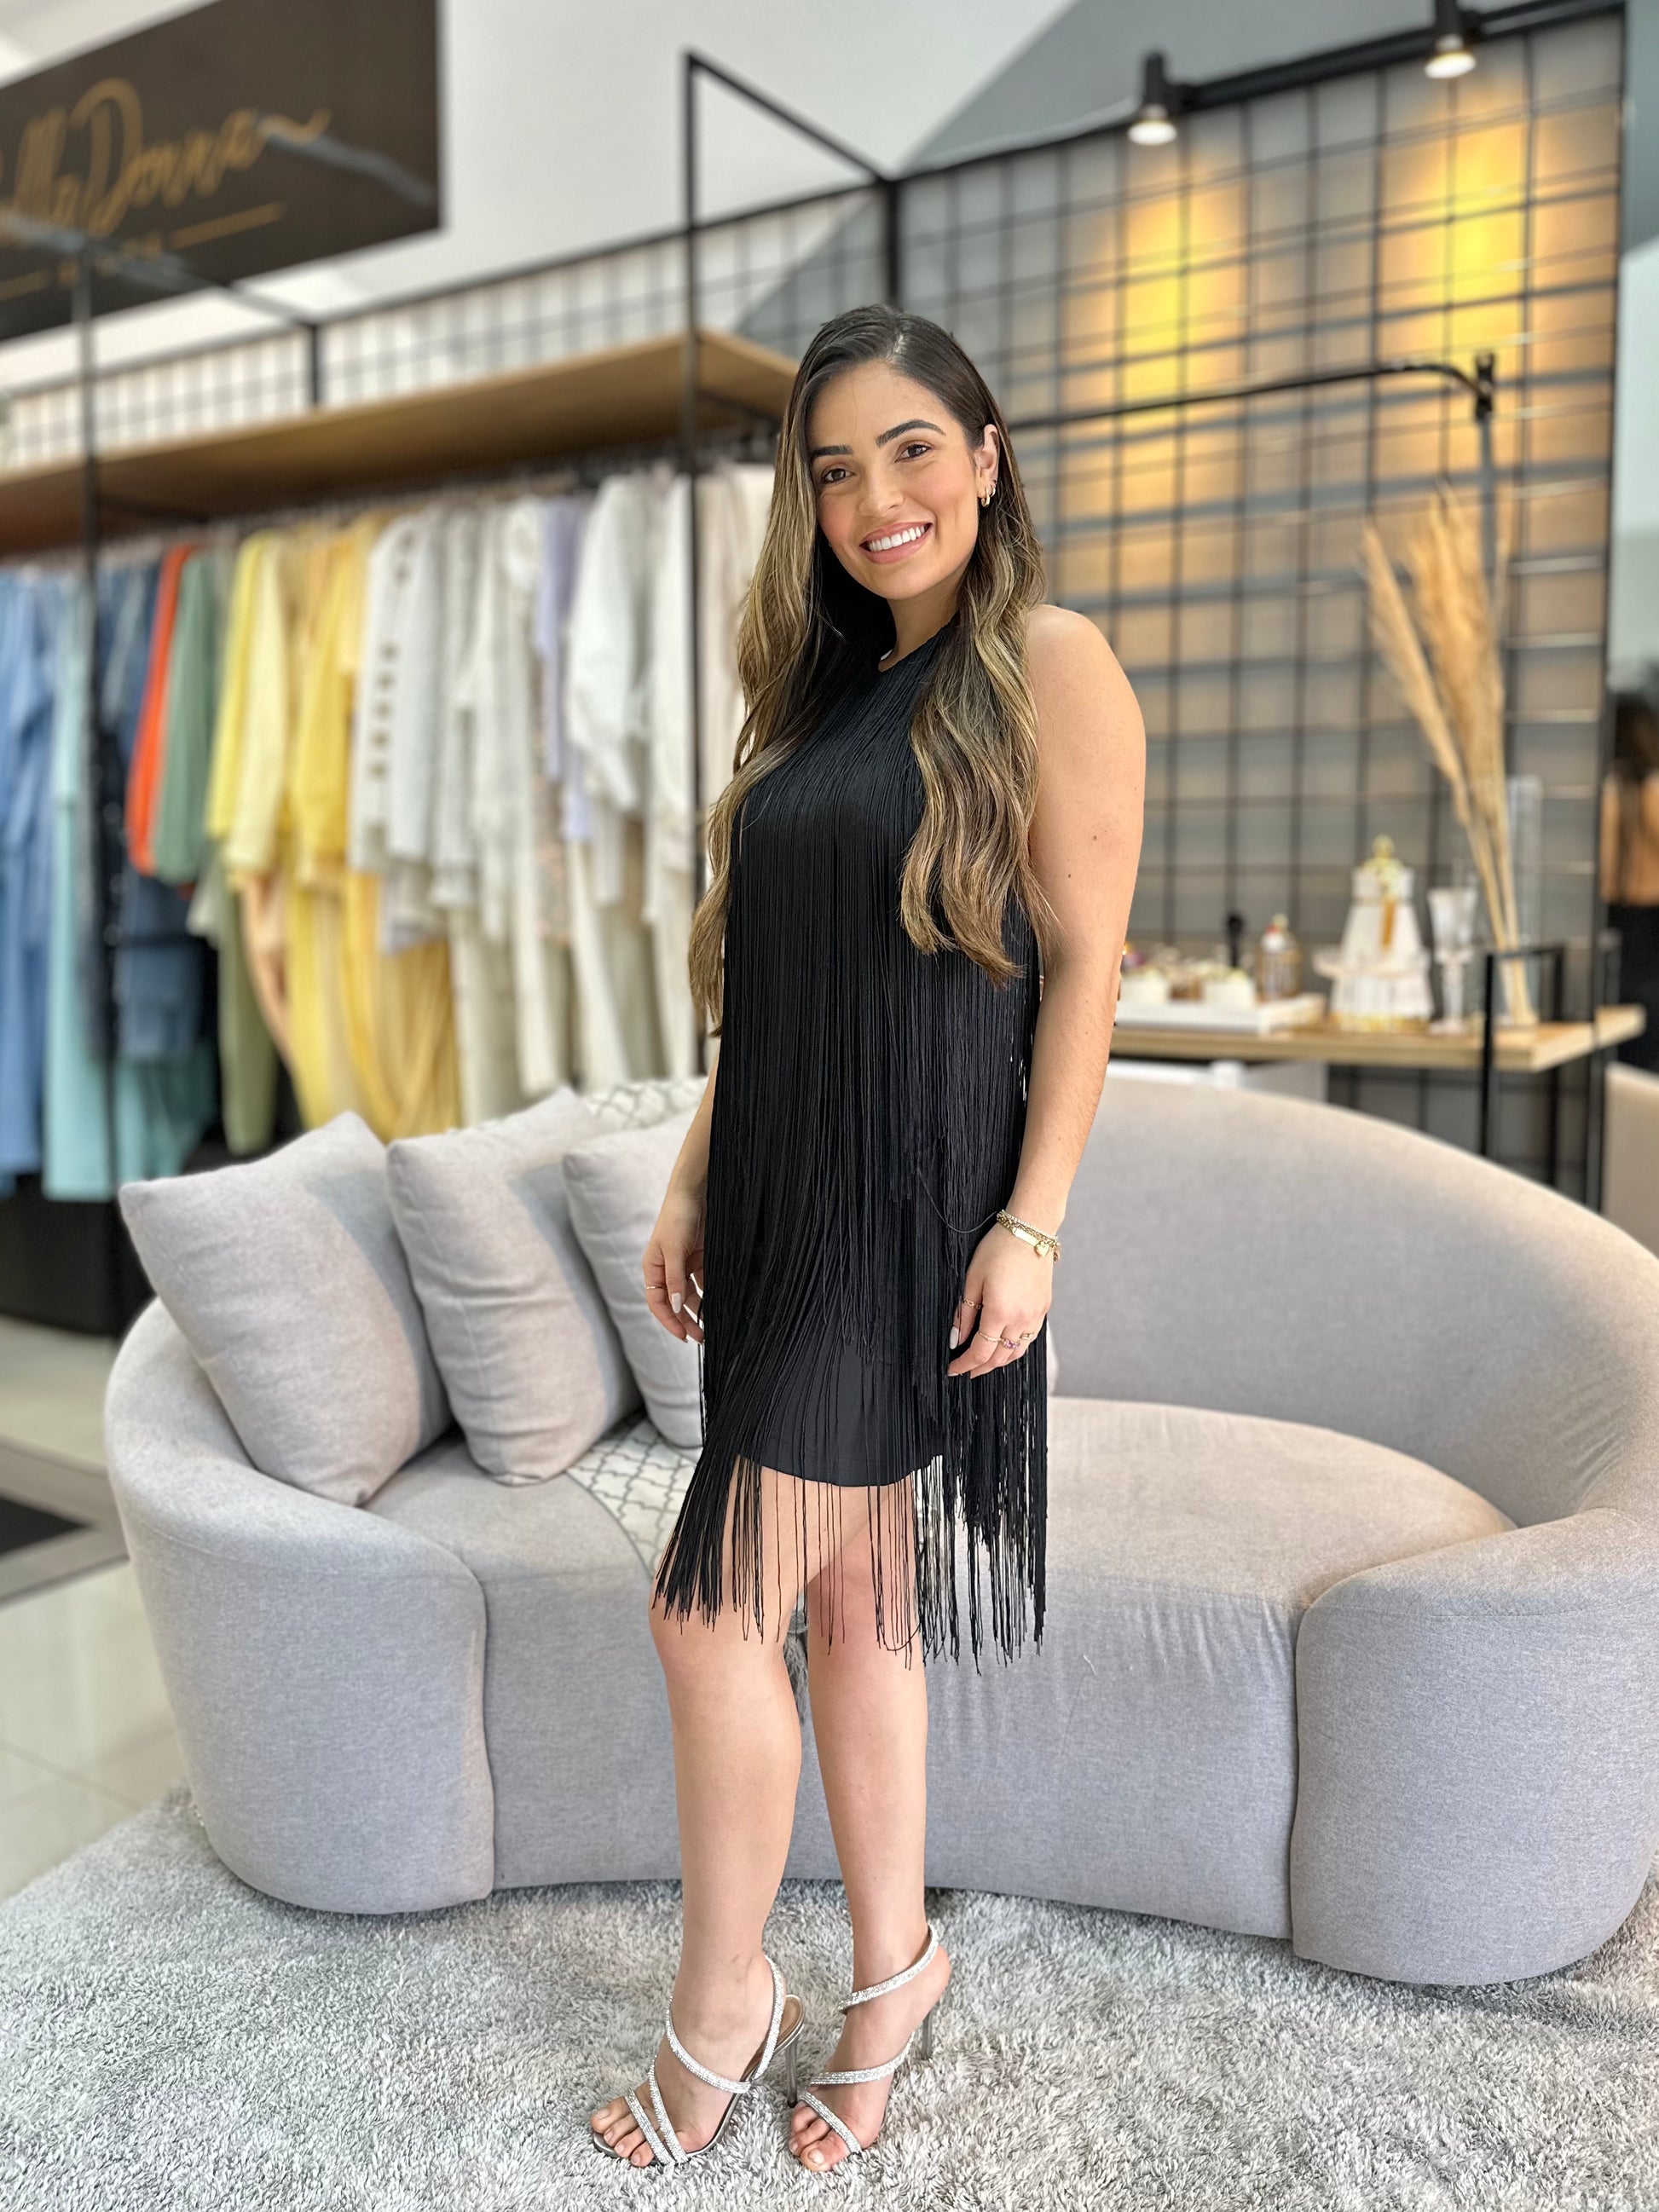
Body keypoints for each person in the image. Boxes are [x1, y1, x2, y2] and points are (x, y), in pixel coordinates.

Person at [587, 303, 1144, 2174]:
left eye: (912, 449)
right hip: (782, 1192)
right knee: (855, 1601)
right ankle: (893, 1971)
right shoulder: (823, 699)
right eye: (835, 470)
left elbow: (1084, 971)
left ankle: (723, 1999)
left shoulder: (1048, 661)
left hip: (909, 1206)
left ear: (986, 457)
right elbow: (780, 991)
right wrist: (693, 1170)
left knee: (702, 1611)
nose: (875, 498)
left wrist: (1032, 1222)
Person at [1602, 675, 1659, 1072]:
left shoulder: (1605, 797)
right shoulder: (1654, 792)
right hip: (1651, 930)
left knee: (1620, 1058)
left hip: (1614, 925)